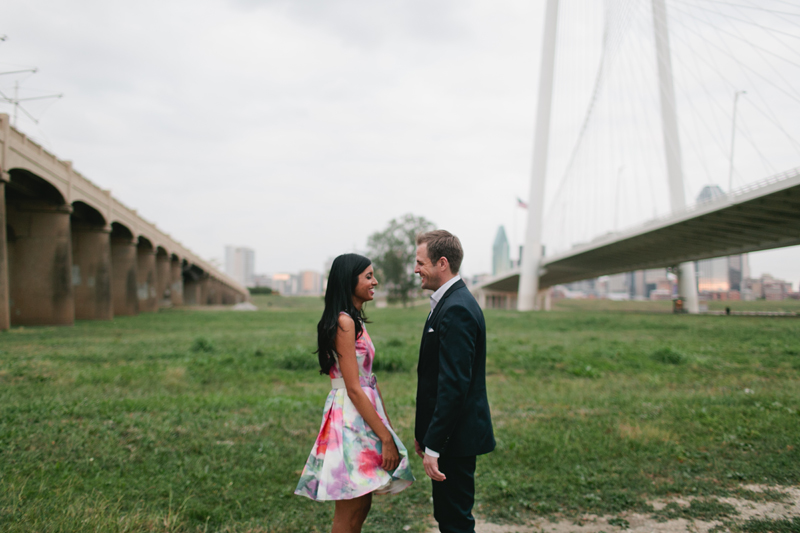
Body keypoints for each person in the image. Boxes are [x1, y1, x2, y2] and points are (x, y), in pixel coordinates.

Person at [295, 253, 414, 533]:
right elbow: (353, 387)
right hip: (350, 417)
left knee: (361, 505)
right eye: (368, 276)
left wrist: (386, 427)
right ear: (350, 281)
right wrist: (384, 436)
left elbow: (369, 380)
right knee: (350, 510)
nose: (375, 281)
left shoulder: (354, 320)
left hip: (362, 415)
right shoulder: (344, 322)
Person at [413, 230, 495, 533]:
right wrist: (425, 433)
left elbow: (454, 385)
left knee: (455, 521)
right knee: (448, 517)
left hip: (455, 440)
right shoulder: (448, 301)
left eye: (420, 262)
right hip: (449, 437)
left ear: (442, 263)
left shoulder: (457, 307)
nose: (415, 269)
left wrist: (435, 444)